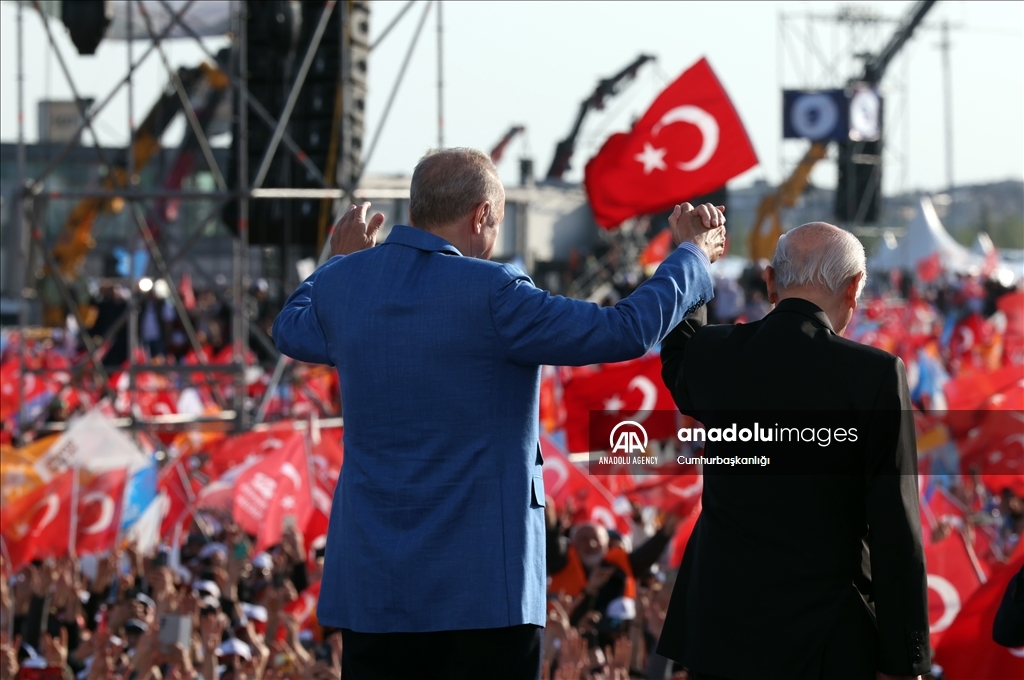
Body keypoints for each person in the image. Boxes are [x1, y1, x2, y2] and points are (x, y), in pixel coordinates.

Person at [271, 147, 726, 679]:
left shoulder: (347, 285)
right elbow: (625, 330)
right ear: (481, 215)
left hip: (373, 592)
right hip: (484, 594)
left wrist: (339, 263)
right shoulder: (493, 291)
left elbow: (289, 329)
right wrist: (692, 256)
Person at [657, 222, 930, 680]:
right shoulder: (874, 376)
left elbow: (679, 344)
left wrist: (693, 252)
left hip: (721, 638)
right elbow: (895, 527)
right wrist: (905, 661)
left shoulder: (716, 354)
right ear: (854, 288)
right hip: (827, 645)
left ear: (770, 283)